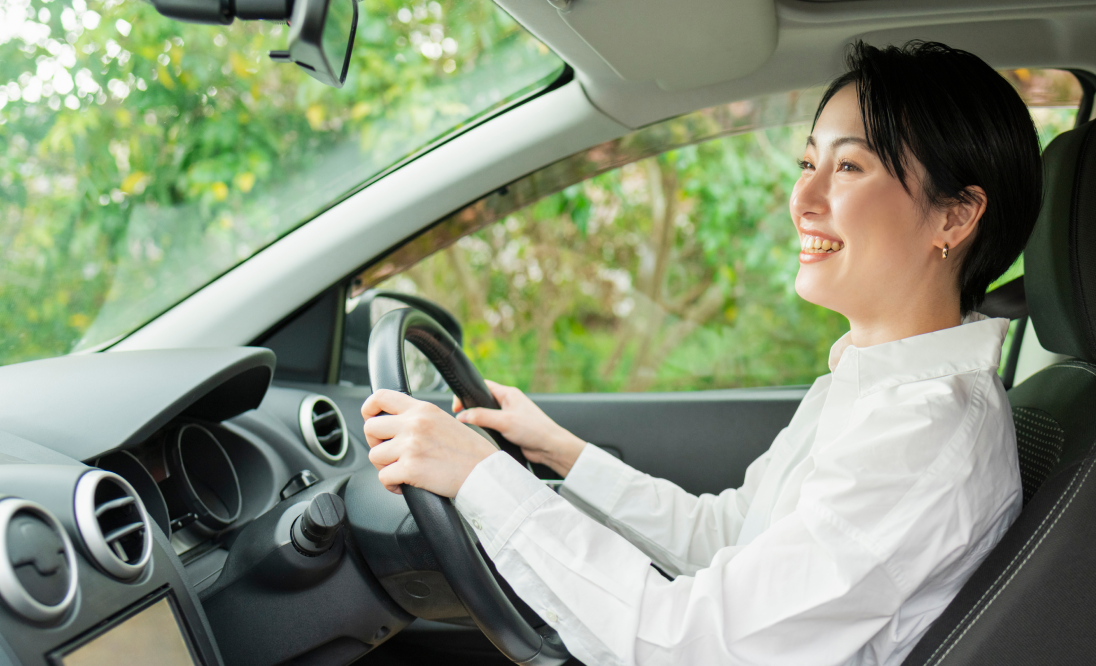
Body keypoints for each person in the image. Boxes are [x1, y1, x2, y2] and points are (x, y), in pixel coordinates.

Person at [360, 41, 1043, 665]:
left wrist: (482, 479)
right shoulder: (868, 386)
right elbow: (729, 535)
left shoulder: (922, 438)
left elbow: (687, 644)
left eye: (849, 167)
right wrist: (561, 451)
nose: (802, 198)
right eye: (808, 162)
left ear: (955, 216)